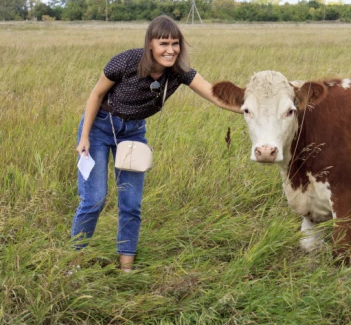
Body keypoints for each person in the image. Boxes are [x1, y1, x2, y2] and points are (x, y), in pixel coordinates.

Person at [71, 15, 240, 272]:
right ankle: (73, 263)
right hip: (99, 128)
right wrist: (84, 137)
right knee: (94, 199)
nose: (170, 50)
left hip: (134, 133)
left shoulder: (180, 73)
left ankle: (126, 269)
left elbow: (214, 95)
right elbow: (95, 95)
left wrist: (254, 109)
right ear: (150, 44)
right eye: (163, 43)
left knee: (131, 202)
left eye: (175, 43)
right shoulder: (125, 61)